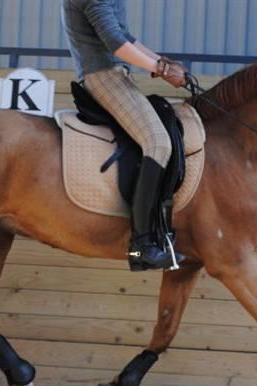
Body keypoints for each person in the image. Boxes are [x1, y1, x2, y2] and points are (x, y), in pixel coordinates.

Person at [62, 0, 187, 271]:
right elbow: (115, 42)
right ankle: (141, 244)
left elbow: (126, 35)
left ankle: (159, 232)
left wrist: (161, 61)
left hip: (117, 74)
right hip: (103, 76)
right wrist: (160, 69)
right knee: (157, 142)